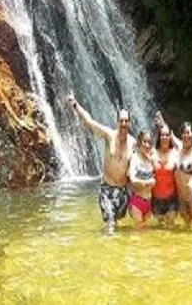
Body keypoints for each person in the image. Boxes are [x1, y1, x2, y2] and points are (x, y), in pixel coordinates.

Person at [67, 94, 135, 233]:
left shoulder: (133, 143)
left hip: (123, 192)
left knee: (116, 222)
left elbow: (148, 155)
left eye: (126, 121)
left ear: (129, 123)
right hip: (107, 189)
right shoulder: (109, 135)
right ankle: (109, 246)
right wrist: (76, 105)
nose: (123, 123)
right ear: (117, 122)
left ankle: (115, 250)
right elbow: (90, 122)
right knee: (110, 223)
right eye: (121, 120)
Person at [150, 124, 179, 226]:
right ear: (159, 137)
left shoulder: (175, 153)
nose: (164, 137)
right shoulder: (152, 153)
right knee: (160, 230)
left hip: (172, 198)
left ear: (170, 137)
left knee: (170, 225)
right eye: (162, 135)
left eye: (167, 135)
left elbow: (185, 169)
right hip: (156, 199)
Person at [128, 131, 155, 228]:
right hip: (137, 202)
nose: (147, 145)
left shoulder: (150, 159)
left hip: (148, 203)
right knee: (138, 233)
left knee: (146, 236)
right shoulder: (134, 158)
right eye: (144, 142)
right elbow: (132, 179)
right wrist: (147, 182)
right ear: (139, 142)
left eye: (149, 142)